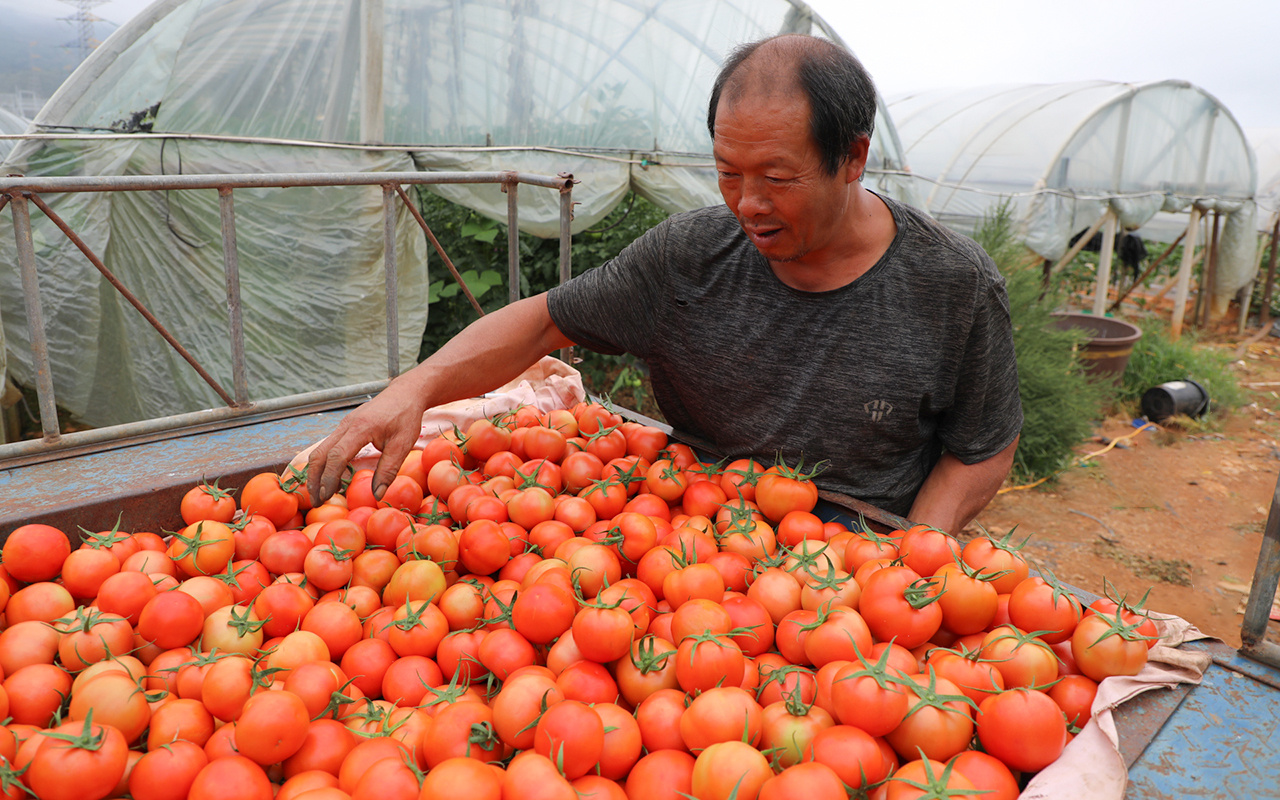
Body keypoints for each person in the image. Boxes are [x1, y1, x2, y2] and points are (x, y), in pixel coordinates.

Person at [308, 34, 1022, 534]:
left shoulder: (952, 285)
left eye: (777, 177)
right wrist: (416, 388)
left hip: (852, 554)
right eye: (728, 172)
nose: (748, 204)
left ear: (854, 158)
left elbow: (982, 447)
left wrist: (915, 553)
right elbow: (544, 320)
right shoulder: (689, 257)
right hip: (686, 540)